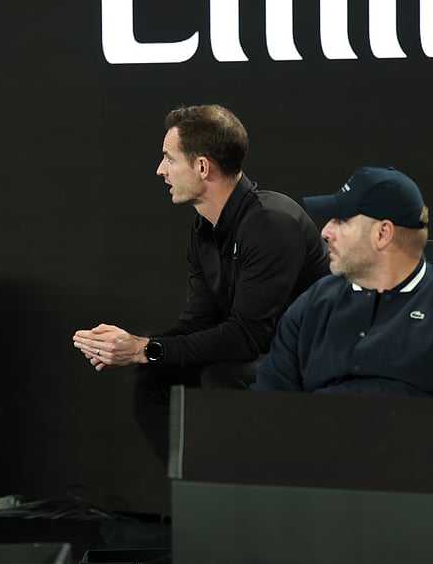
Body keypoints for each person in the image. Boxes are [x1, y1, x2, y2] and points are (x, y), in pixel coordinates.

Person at [72, 105, 329, 463]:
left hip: (313, 358)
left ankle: (236, 498)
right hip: (263, 350)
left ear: (202, 167)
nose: (160, 171)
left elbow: (247, 336)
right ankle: (198, 498)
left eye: (169, 159)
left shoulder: (270, 224)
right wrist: (135, 349)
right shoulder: (205, 227)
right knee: (150, 379)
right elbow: (199, 321)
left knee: (221, 376)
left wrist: (146, 348)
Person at [254, 166, 433, 398]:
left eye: (341, 220)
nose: (325, 232)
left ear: (382, 233)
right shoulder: (313, 304)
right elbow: (268, 404)